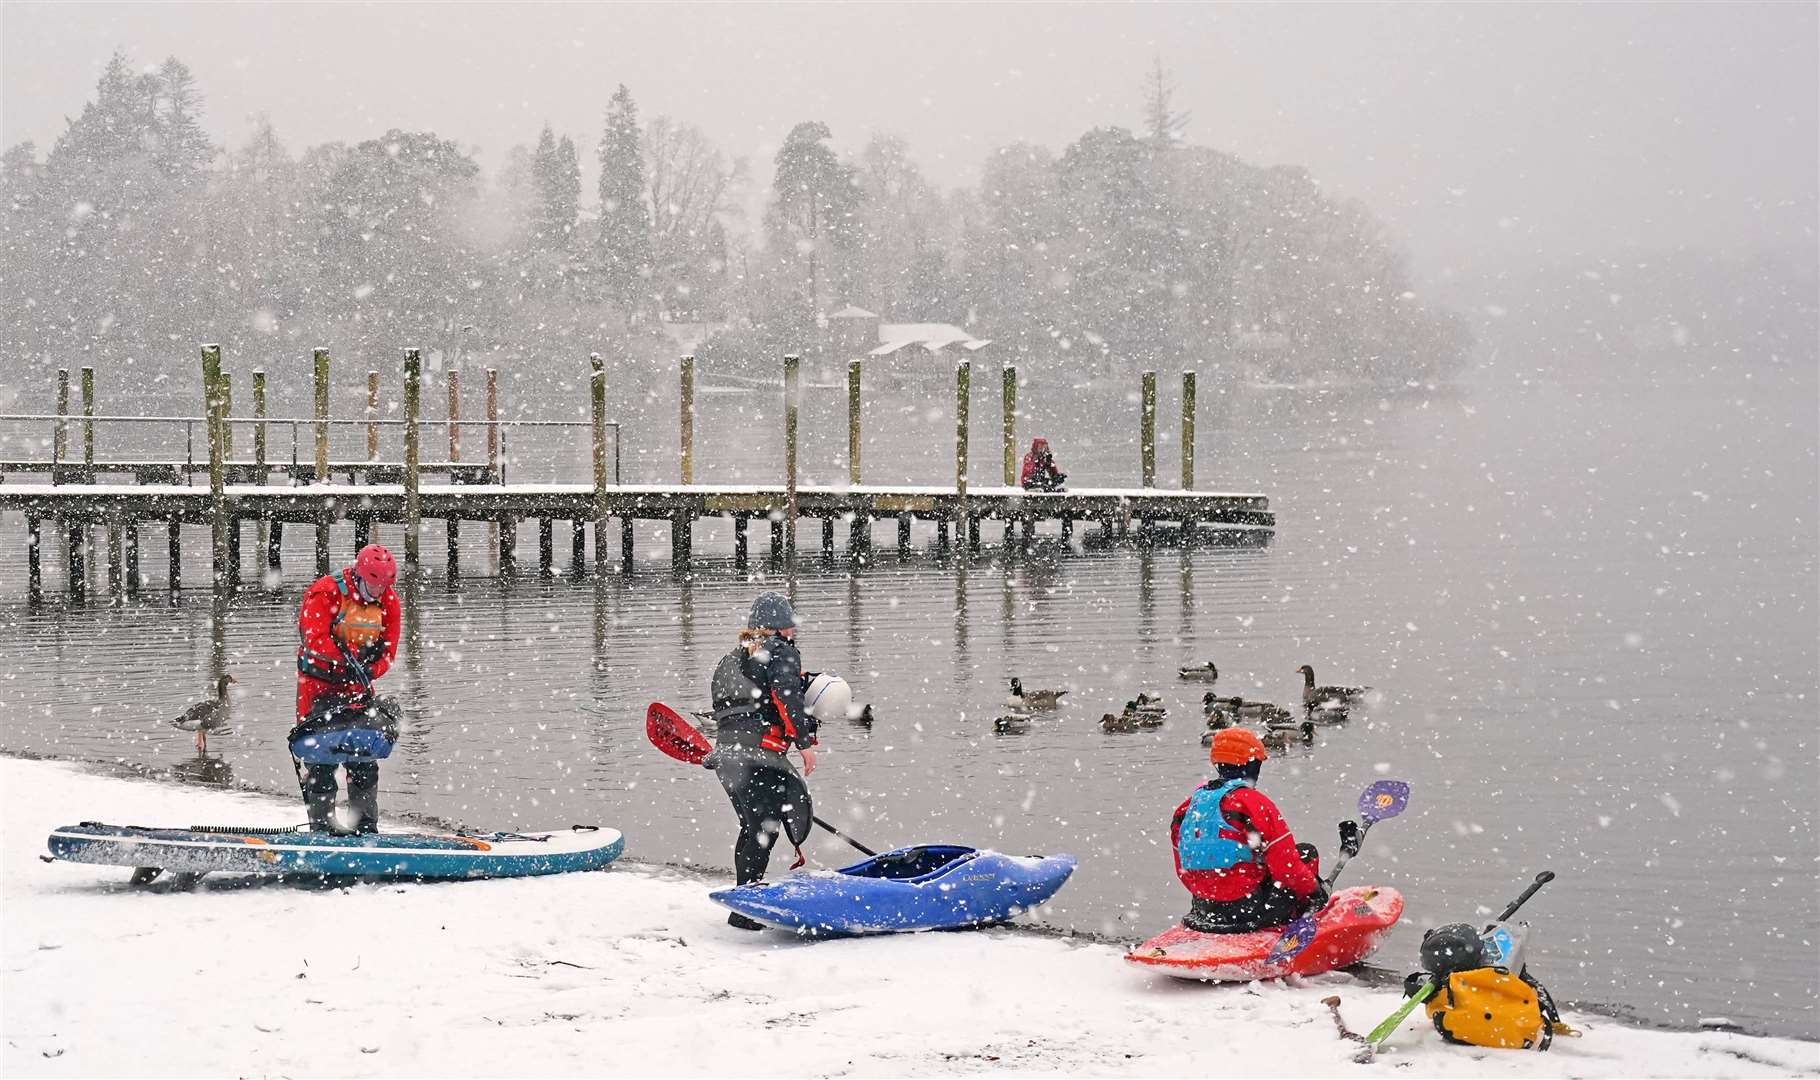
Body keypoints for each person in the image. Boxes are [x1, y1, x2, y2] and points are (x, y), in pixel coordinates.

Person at [706, 590, 818, 929]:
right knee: (762, 828)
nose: (794, 633)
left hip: (725, 755)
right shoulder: (780, 651)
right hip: (758, 757)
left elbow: (729, 711)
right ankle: (745, 910)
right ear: (781, 627)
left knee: (753, 827)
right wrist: (804, 742)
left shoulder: (732, 658)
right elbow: (787, 699)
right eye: (791, 627)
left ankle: (744, 903)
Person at [1171, 727, 1327, 933]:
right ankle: (1307, 917)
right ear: (1252, 764)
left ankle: (1214, 913)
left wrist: (1214, 893)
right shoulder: (1254, 804)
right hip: (1249, 912)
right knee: (1306, 853)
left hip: (1203, 909)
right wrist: (1317, 892)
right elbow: (1287, 868)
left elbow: (1183, 869)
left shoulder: (1187, 808)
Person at [291, 543, 402, 832]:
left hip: (358, 689)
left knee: (364, 758)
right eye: (374, 585)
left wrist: (371, 668)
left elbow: (389, 650)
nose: (379, 593)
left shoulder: (388, 600)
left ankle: (365, 827)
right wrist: (345, 658)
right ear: (360, 575)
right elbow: (313, 637)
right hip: (318, 687)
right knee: (321, 760)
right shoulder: (325, 592)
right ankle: (322, 827)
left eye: (385, 587)